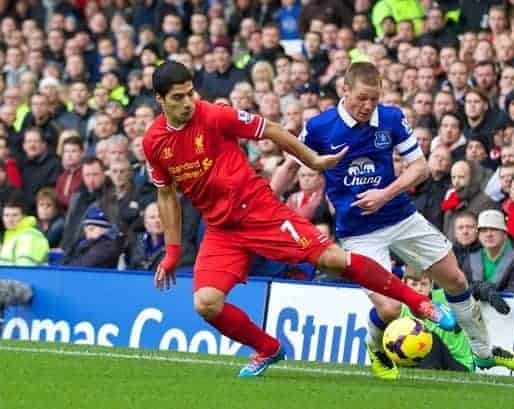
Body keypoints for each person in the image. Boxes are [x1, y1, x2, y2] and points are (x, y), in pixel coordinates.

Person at [143, 61, 452, 379]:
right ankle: (268, 348)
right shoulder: (154, 143)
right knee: (206, 303)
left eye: (190, 93)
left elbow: (272, 129)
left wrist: (313, 159)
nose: (187, 102)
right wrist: (172, 252)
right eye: (178, 97)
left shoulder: (215, 115)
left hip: (260, 211)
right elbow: (166, 195)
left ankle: (419, 303)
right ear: (160, 99)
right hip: (221, 228)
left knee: (332, 259)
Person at [272, 61, 514, 380]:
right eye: (361, 98)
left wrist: (385, 193)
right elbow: (289, 168)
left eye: (374, 99)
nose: (368, 106)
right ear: (345, 90)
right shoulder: (320, 127)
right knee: (390, 309)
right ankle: (375, 347)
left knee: (456, 281)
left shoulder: (391, 118)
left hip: (400, 216)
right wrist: (262, 202)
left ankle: (484, 354)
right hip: (358, 232)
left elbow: (419, 168)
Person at [462, 209, 514, 305]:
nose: (488, 234)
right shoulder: (469, 259)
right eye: (483, 230)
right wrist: (477, 290)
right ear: (478, 235)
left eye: (494, 229)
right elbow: (461, 290)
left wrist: (489, 294)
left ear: (505, 233)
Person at [0, 195, 49, 266]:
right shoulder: (12, 236)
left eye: (15, 215)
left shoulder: (29, 236)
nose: (10, 220)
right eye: (6, 215)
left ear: (23, 217)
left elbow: (24, 268)